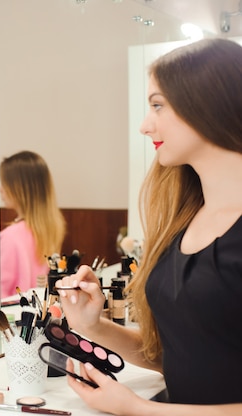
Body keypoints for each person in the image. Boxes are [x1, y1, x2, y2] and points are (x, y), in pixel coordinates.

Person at [56, 38, 242, 415]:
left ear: (208, 104)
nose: (145, 125)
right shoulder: (184, 220)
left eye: (157, 105)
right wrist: (94, 326)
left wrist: (137, 408)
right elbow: (184, 357)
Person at [0, 150, 65, 304]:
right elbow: (23, 269)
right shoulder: (50, 227)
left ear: (20, 188)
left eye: (3, 184)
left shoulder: (10, 236)